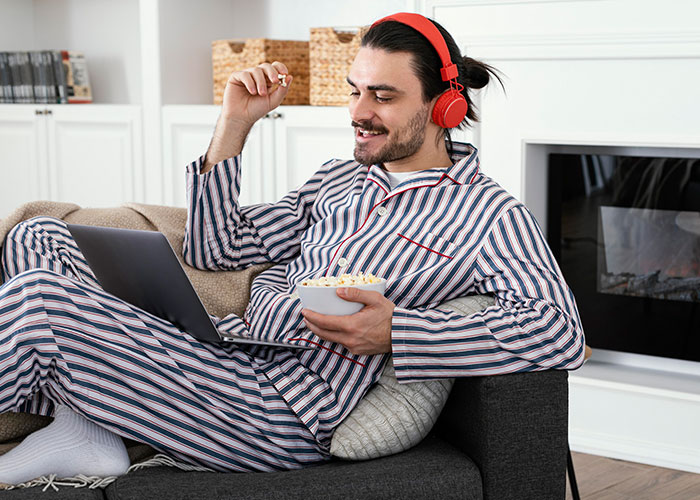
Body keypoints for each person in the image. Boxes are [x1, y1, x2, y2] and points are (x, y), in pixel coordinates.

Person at [0, 12, 585, 484]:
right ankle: (87, 431)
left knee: (38, 301)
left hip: (283, 411)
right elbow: (216, 249)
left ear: (444, 106)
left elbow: (561, 330)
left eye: (382, 96)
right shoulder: (337, 180)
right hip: (227, 352)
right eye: (356, 92)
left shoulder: (489, 215)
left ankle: (89, 427)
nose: (358, 113)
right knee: (38, 236)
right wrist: (234, 126)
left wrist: (399, 334)